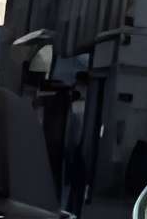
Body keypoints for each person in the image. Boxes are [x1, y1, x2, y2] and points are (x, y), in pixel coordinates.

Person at [60, 85, 89, 217]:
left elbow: (73, 137)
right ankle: (73, 211)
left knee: (73, 187)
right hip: (77, 153)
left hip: (73, 153)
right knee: (76, 188)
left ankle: (71, 211)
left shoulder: (73, 112)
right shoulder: (78, 112)